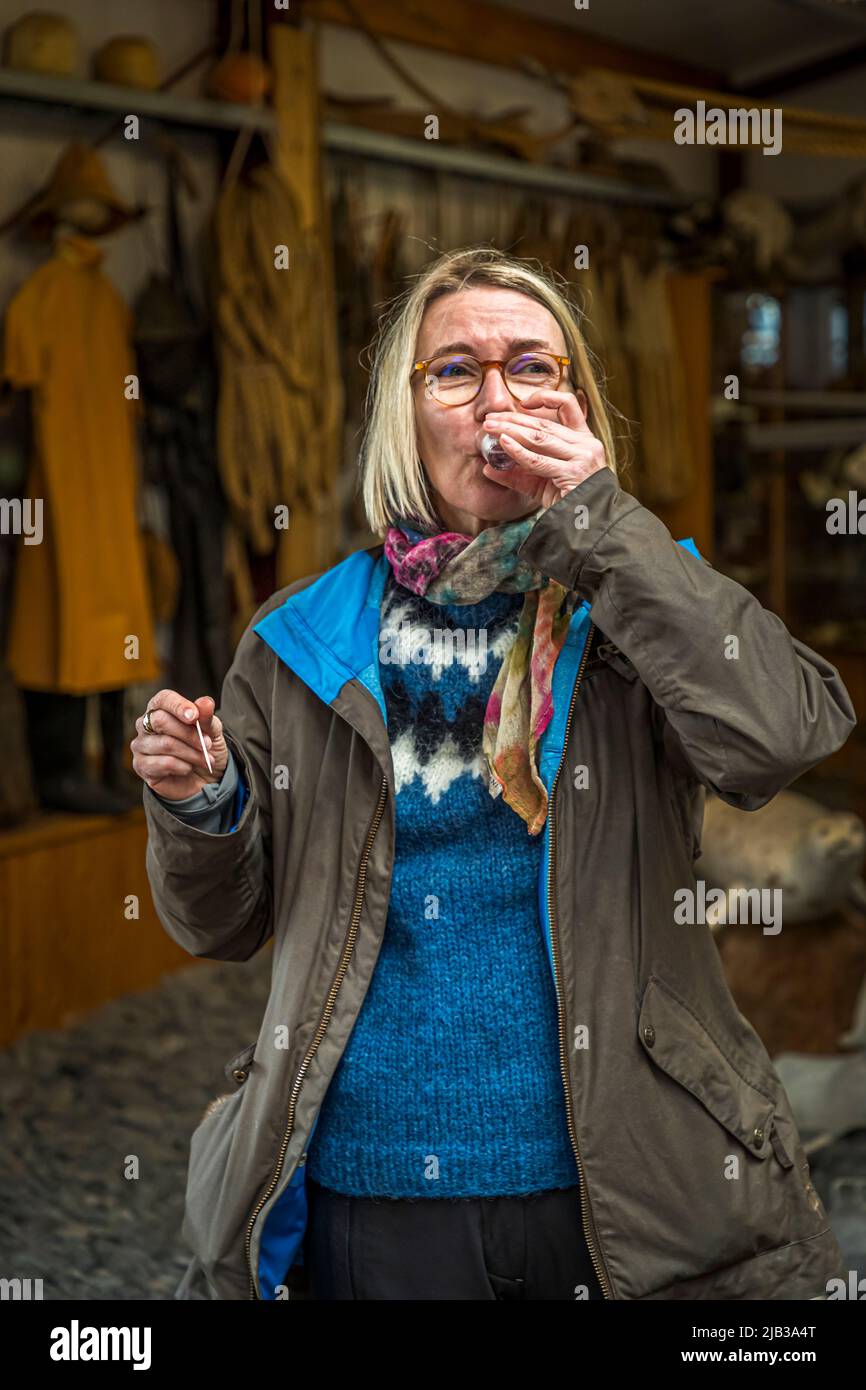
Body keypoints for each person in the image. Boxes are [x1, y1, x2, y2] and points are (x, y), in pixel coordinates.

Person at [134, 246, 856, 1302]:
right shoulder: (298, 640)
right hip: (373, 1195)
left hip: (614, 1186)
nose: (496, 396)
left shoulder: (641, 610)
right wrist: (203, 805)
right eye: (455, 369)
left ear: (576, 408)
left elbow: (780, 736)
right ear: (405, 412)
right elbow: (224, 923)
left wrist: (600, 520)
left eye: (533, 366)